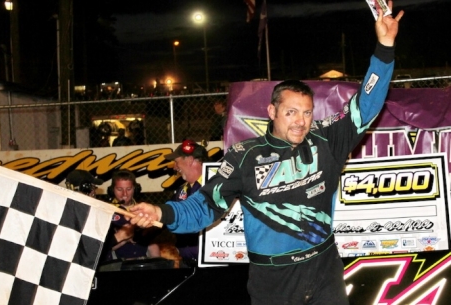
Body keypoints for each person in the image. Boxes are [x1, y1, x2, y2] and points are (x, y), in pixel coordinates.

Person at [130, 4, 403, 304]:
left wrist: (385, 47)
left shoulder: (326, 139)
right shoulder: (244, 156)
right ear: (272, 111)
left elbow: (367, 103)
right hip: (273, 280)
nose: (301, 121)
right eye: (291, 112)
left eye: (307, 113)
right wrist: (161, 213)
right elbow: (206, 205)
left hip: (324, 267)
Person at [163, 139, 210, 261]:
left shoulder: (213, 187)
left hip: (209, 260)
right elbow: (167, 214)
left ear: (189, 160)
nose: (174, 167)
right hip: (186, 260)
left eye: (176, 161)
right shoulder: (182, 190)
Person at [103, 169, 160, 261]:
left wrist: (157, 262)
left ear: (135, 189)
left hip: (143, 262)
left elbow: (152, 243)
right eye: (119, 189)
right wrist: (125, 238)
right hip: (117, 264)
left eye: (128, 189)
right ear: (112, 190)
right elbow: (100, 249)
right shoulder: (106, 212)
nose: (124, 194)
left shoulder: (144, 209)